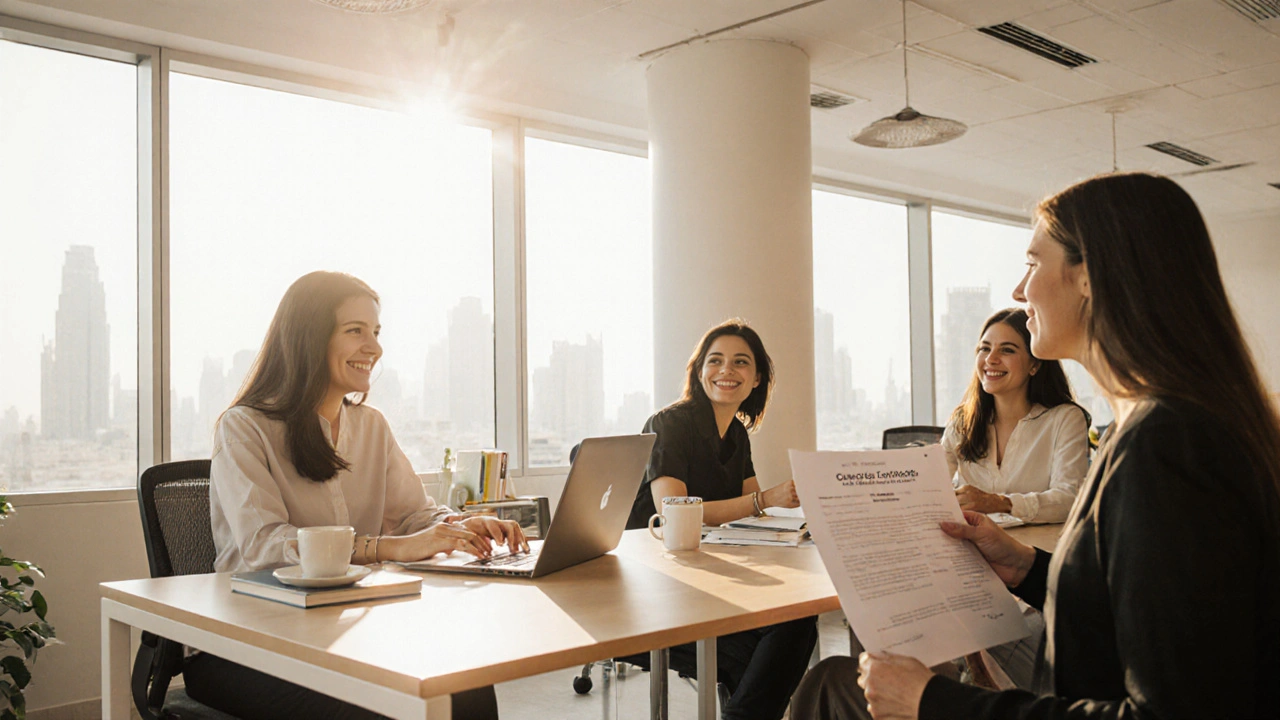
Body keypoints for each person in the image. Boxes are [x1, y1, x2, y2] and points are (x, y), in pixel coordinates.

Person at [798, 172, 1280, 719]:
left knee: (832, 685)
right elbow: (1142, 602)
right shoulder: (1176, 424)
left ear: (1088, 277)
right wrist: (1024, 565)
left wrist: (929, 700)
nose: (1019, 290)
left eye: (1032, 262)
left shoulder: (1166, 445)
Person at [185, 271, 527, 720]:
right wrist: (386, 548)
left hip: (343, 632)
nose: (375, 348)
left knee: (465, 687)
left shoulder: (371, 427)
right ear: (310, 339)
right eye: (355, 331)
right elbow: (264, 547)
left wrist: (456, 527)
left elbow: (413, 515)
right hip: (248, 646)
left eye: (376, 333)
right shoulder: (244, 428)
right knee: (374, 707)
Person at [623, 319, 816, 720]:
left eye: (741, 362)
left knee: (796, 620)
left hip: (708, 574)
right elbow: (672, 509)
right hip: (655, 585)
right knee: (763, 655)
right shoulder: (670, 424)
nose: (727, 371)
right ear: (699, 371)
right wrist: (765, 500)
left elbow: (754, 512)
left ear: (757, 377)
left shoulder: (738, 434)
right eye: (716, 361)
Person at [943, 307, 1090, 525]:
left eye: (1007, 350)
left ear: (1035, 364)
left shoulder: (1065, 419)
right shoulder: (962, 422)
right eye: (985, 348)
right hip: (969, 549)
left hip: (1034, 550)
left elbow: (1069, 501)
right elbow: (931, 490)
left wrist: (999, 503)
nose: (990, 359)